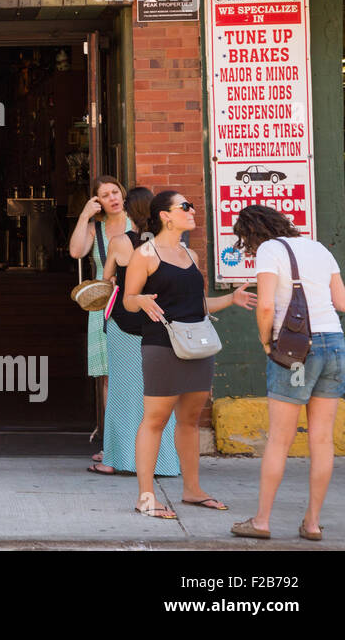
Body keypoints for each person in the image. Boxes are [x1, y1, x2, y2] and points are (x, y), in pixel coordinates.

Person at [122, 191, 255, 519]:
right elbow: (127, 300)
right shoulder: (146, 254)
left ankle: (192, 490)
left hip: (198, 344)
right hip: (162, 344)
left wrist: (230, 299)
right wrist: (139, 300)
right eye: (185, 207)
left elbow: (198, 305)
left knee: (191, 420)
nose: (192, 210)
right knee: (155, 420)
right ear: (165, 215)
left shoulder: (190, 256)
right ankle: (146, 496)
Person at [228, 206, 345, 540]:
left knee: (280, 440)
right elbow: (343, 303)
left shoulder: (270, 250)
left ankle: (262, 521)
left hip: (296, 351)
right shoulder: (319, 248)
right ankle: (312, 523)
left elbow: (266, 305)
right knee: (322, 439)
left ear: (253, 233)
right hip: (335, 346)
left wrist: (266, 342)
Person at [88, 187, 180, 479]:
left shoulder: (119, 242)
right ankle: (164, 462)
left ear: (128, 211)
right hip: (158, 325)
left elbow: (105, 283)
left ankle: (114, 459)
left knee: (120, 393)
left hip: (125, 325)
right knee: (157, 395)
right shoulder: (166, 244)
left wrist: (116, 279)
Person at [68, 175, 130, 464]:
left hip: (133, 304)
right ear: (97, 202)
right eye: (104, 195)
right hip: (103, 306)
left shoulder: (138, 224)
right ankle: (112, 444)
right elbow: (76, 251)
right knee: (109, 377)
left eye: (115, 192)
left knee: (137, 375)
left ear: (123, 193)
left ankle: (138, 441)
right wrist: (84, 216)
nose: (112, 198)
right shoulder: (96, 227)